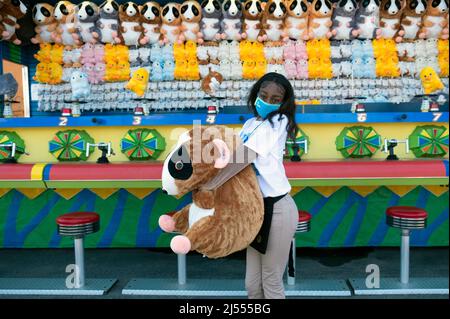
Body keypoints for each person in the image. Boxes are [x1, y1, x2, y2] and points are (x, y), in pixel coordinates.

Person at [202, 72, 299, 298]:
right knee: (252, 286)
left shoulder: (279, 122)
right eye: (264, 95)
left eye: (276, 99)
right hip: (253, 210)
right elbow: (230, 155)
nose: (268, 101)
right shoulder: (249, 124)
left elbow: (244, 156)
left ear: (284, 103)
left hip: (277, 210)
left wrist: (212, 185)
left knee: (271, 282)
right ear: (256, 94)